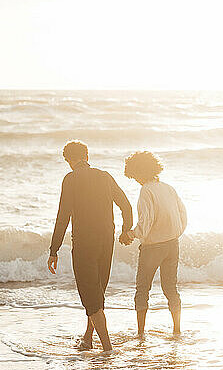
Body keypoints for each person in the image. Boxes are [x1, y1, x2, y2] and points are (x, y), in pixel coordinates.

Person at [47, 140, 133, 352]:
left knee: (91, 296)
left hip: (85, 243)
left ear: (69, 160)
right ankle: (88, 338)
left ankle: (107, 349)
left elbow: (63, 216)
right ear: (87, 155)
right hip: (106, 241)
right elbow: (126, 206)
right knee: (97, 292)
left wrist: (54, 250)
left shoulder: (71, 179)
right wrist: (125, 231)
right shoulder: (104, 176)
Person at [119, 151, 187, 336]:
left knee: (142, 289)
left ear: (139, 173)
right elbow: (183, 214)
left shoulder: (146, 190)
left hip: (153, 247)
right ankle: (177, 330)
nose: (136, 181)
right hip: (172, 244)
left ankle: (140, 333)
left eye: (134, 176)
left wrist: (130, 235)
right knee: (171, 288)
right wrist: (175, 233)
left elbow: (146, 222)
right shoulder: (168, 188)